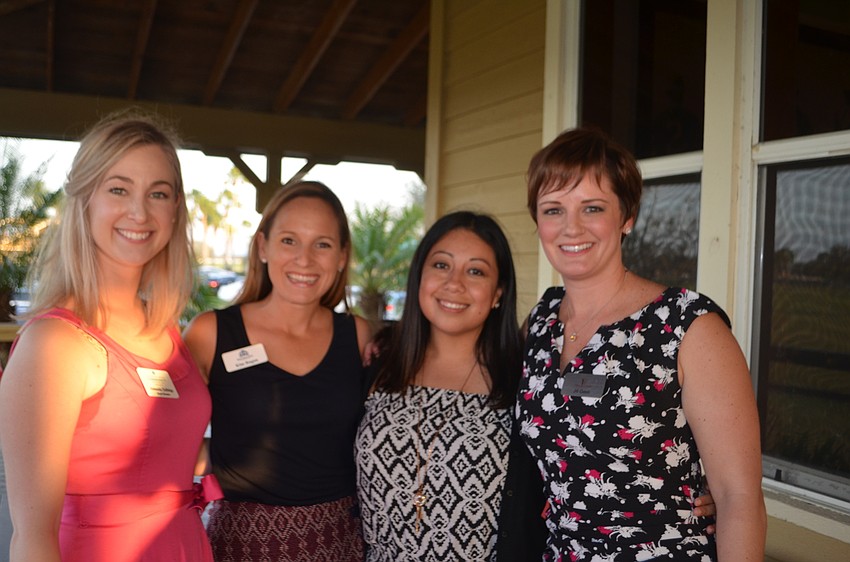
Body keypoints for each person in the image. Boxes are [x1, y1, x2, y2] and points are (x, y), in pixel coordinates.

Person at [517, 127, 766, 560]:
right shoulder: (541, 321)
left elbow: (737, 499)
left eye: (592, 207)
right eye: (553, 209)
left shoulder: (689, 327)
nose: (570, 226)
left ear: (626, 217)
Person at [0, 112, 213, 561]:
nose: (139, 211)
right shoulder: (56, 344)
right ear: (85, 200)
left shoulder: (166, 331)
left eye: (159, 193)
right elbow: (31, 540)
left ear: (175, 211)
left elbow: (170, 455)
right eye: (119, 189)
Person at [183, 180, 371, 561]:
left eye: (322, 244)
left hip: (338, 545)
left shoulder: (360, 337)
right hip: (240, 545)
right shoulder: (210, 333)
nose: (305, 259)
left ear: (341, 257)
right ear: (263, 246)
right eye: (289, 240)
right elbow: (170, 434)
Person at [355, 211, 548, 561]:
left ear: (498, 293)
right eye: (441, 265)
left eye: (475, 271)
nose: (454, 283)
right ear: (419, 277)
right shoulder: (378, 363)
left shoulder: (525, 382)